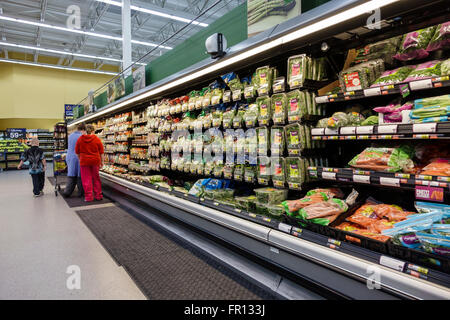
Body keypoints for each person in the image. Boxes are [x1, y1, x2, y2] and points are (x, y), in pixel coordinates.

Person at [75, 124, 104, 202]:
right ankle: (98, 196)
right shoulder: (97, 139)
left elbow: (77, 151)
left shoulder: (80, 139)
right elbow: (101, 152)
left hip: (84, 161)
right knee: (96, 178)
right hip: (95, 161)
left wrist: (80, 158)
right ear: (93, 131)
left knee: (86, 179)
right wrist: (102, 162)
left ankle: (89, 197)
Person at [62, 123, 85, 198]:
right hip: (78, 157)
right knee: (79, 175)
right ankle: (80, 193)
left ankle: (67, 192)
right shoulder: (82, 136)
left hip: (69, 157)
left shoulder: (70, 136)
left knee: (71, 174)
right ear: (83, 130)